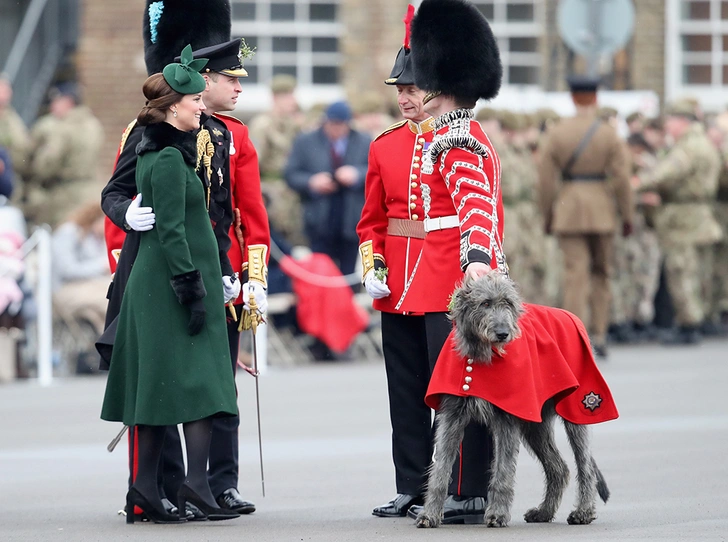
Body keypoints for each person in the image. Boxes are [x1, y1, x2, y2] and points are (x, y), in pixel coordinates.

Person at [99, 2, 266, 519]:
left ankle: (218, 483)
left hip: (214, 268)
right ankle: (161, 487)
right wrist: (131, 219)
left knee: (214, 384)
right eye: (224, 78)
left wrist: (245, 276)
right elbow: (118, 196)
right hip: (166, 270)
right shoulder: (147, 135)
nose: (235, 88)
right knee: (162, 384)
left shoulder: (229, 135)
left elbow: (241, 213)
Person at [364, 0, 505, 523]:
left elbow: (479, 210)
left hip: (448, 276)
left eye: (415, 88)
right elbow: (374, 220)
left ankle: (466, 487)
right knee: (406, 388)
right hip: (402, 280)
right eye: (401, 89)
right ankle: (414, 485)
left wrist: (477, 262)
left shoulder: (462, 138)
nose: (407, 98)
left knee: (457, 390)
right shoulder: (387, 145)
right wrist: (375, 268)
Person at [538, 75, 633, 358]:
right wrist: (627, 215)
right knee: (602, 273)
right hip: (602, 208)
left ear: (572, 97)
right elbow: (622, 179)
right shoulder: (608, 133)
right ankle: (601, 333)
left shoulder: (557, 132)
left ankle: (575, 338)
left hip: (569, 208)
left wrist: (547, 214)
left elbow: (545, 181)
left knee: (574, 275)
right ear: (596, 98)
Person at [634, 100, 722, 344]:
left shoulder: (687, 147)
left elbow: (666, 172)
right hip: (699, 215)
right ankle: (697, 319)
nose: (668, 127)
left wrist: (637, 183)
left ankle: (688, 324)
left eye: (671, 121)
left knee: (681, 271)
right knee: (696, 272)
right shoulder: (704, 143)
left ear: (682, 121)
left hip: (683, 219)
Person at [285, 100, 371, 276]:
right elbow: (290, 174)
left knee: (348, 275)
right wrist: (311, 182)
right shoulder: (306, 141)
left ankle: (347, 303)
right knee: (321, 273)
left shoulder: (364, 141)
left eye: (340, 125)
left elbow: (376, 170)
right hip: (319, 219)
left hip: (351, 218)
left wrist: (357, 174)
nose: (335, 129)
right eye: (332, 124)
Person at [24, 82, 104, 227]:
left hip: (64, 198)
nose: (52, 106)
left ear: (68, 102)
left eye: (56, 101)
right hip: (90, 192)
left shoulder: (62, 128)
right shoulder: (94, 124)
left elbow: (47, 164)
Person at [248, 74, 307, 246]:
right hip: (271, 190)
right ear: (276, 97)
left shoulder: (294, 124)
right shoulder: (263, 124)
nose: (292, 100)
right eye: (288, 96)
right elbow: (253, 161)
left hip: (292, 193)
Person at [0, 75, 30, 199]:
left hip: (10, 174)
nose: (7, 94)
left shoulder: (13, 119)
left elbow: (23, 146)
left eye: (7, 90)